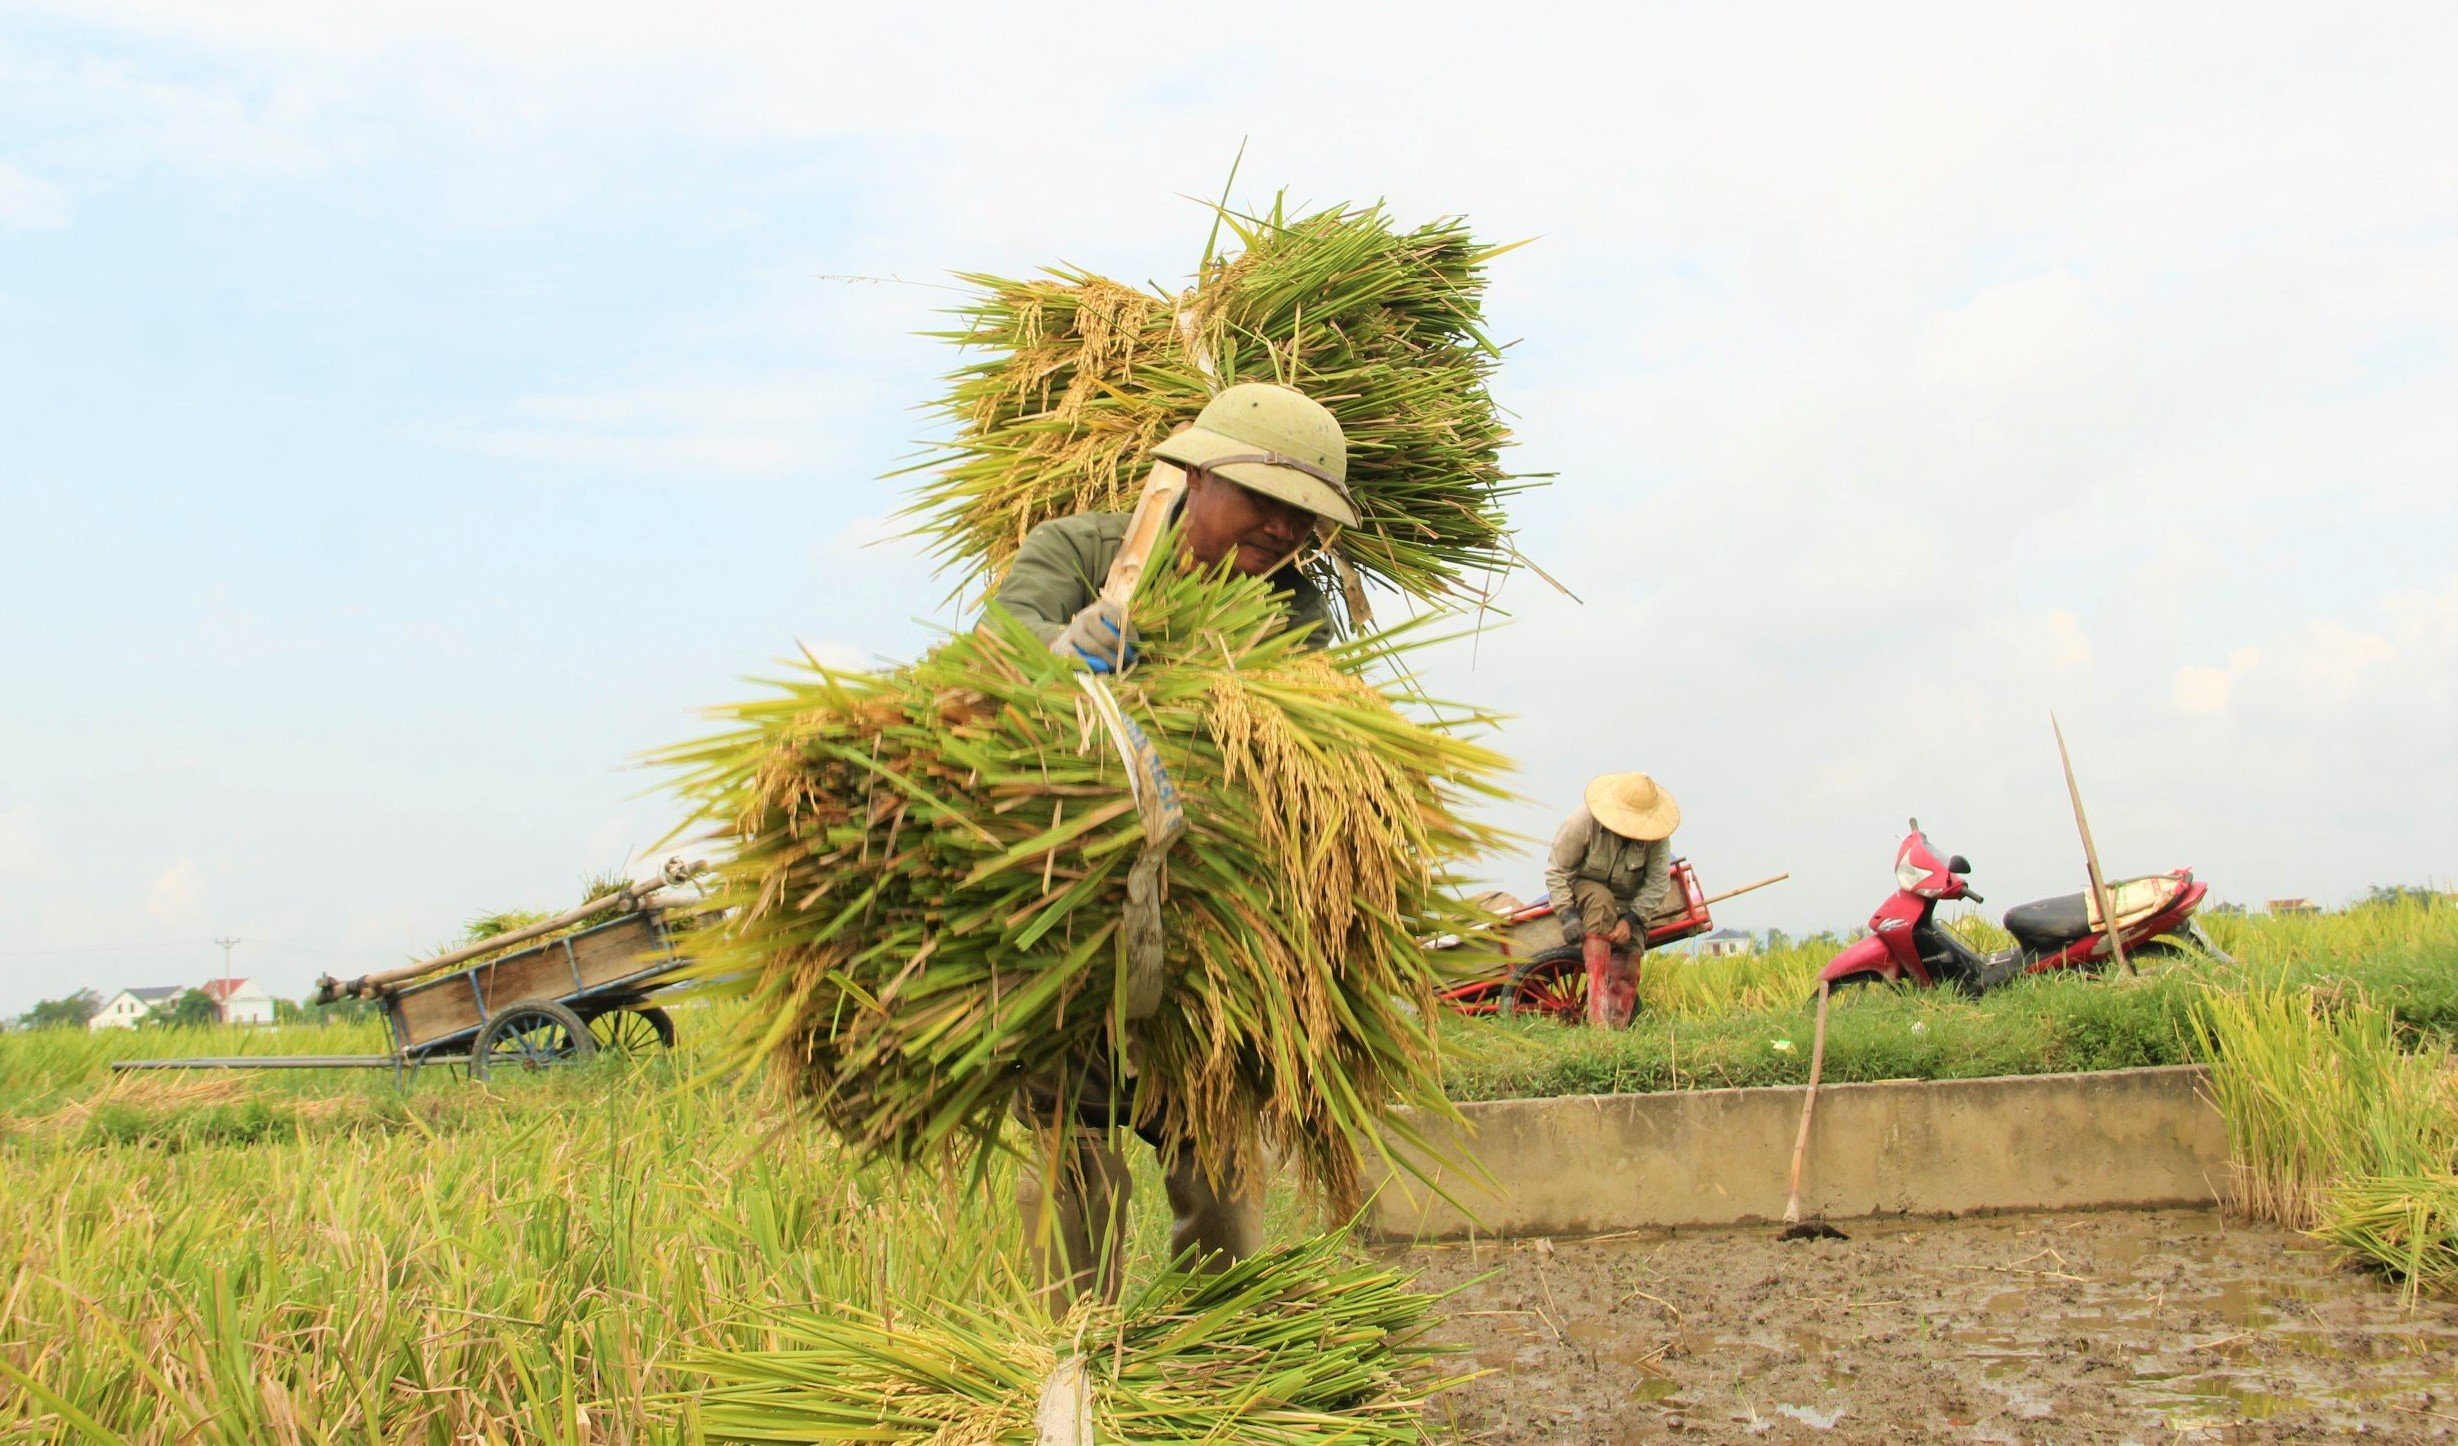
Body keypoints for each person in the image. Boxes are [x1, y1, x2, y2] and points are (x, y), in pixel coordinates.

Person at [983, 381, 1358, 1309]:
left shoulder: (1295, 611)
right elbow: (990, 649)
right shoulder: (1079, 551)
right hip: (1069, 907)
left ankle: (1219, 1361)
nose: (1281, 528)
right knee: (1067, 1158)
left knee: (1218, 1165)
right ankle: (1063, 1360)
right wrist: (1057, 651)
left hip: (1206, 923)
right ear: (1191, 477)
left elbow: (1315, 746)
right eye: (1262, 499)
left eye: (1302, 516)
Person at [1544, 772, 1681, 1029]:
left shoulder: (1657, 838)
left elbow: (1657, 884)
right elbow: (1557, 871)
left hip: (1632, 903)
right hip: (1585, 891)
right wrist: (1567, 915)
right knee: (1601, 899)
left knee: (1628, 967)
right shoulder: (1582, 822)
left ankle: (1615, 1031)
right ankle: (1597, 1019)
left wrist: (1631, 920)